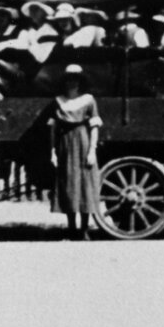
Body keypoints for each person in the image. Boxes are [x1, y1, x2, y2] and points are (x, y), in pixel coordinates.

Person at [49, 64, 103, 240]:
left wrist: (92, 151)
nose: (72, 83)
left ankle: (84, 229)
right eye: (69, 79)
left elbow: (94, 127)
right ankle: (71, 228)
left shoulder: (88, 100)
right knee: (69, 185)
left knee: (85, 184)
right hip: (65, 145)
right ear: (65, 82)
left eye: (75, 79)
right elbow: (53, 129)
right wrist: (53, 152)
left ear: (80, 82)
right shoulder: (58, 101)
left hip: (83, 142)